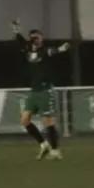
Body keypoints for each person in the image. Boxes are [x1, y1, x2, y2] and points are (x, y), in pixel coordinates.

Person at [12, 19, 69, 160]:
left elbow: (53, 51)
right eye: (33, 38)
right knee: (25, 120)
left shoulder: (44, 51)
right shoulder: (28, 50)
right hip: (34, 91)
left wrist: (61, 49)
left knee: (48, 121)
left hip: (45, 91)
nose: (36, 40)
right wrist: (16, 28)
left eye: (38, 37)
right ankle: (44, 145)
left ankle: (55, 151)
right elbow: (19, 40)